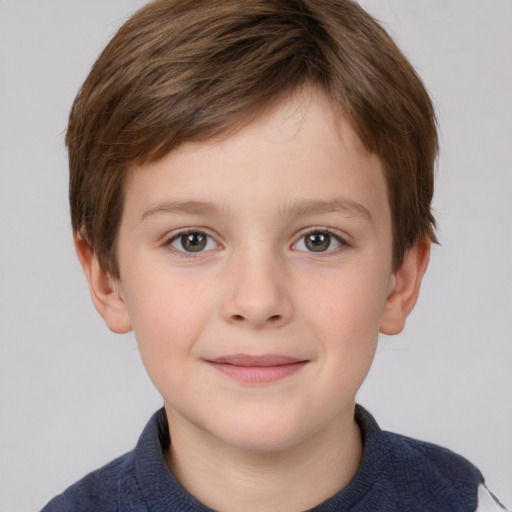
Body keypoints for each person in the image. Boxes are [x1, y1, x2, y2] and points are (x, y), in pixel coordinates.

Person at [41, 0, 507, 510]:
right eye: (192, 240)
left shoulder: (463, 500)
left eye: (318, 240)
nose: (259, 301)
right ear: (107, 278)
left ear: (400, 278)